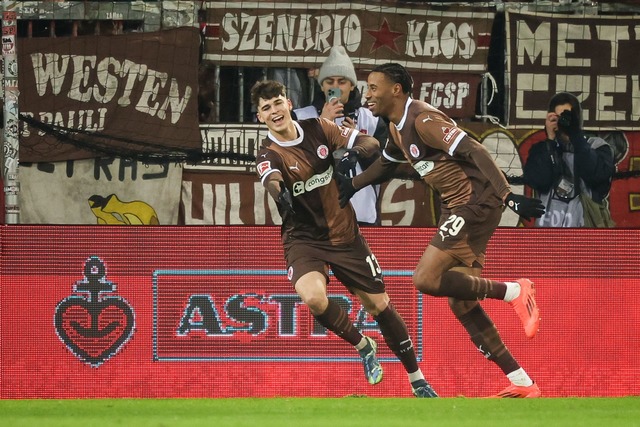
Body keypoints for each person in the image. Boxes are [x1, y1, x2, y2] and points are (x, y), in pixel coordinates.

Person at [336, 63, 545, 398]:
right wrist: (352, 186)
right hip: (458, 205)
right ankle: (523, 382)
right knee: (461, 303)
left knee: (425, 278)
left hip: (475, 201)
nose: (368, 94)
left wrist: (508, 196)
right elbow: (387, 164)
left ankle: (514, 291)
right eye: (368, 87)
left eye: (375, 87)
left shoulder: (423, 120)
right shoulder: (395, 127)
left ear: (397, 90)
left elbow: (475, 149)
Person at [251, 79, 437, 398]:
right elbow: (273, 180)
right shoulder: (267, 153)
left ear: (288, 105)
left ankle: (417, 379)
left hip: (345, 236)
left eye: (278, 103)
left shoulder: (319, 128)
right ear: (260, 117)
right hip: (304, 239)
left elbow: (370, 144)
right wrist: (280, 195)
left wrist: (351, 155)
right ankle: (363, 345)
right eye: (266, 108)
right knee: (312, 297)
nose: (274, 111)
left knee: (379, 305)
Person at [294, 46, 388, 225]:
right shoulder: (301, 118)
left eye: (342, 81)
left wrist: (359, 142)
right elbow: (294, 164)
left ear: (352, 85)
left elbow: (383, 168)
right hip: (317, 218)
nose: (335, 87)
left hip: (361, 217)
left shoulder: (372, 119)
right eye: (329, 81)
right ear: (321, 86)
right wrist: (320, 126)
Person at [522, 92, 615, 227]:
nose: (563, 122)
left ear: (577, 118)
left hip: (586, 232)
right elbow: (539, 181)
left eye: (567, 117)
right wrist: (550, 140)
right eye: (558, 117)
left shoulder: (597, 146)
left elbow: (596, 176)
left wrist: (575, 134)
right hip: (548, 235)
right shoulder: (542, 149)